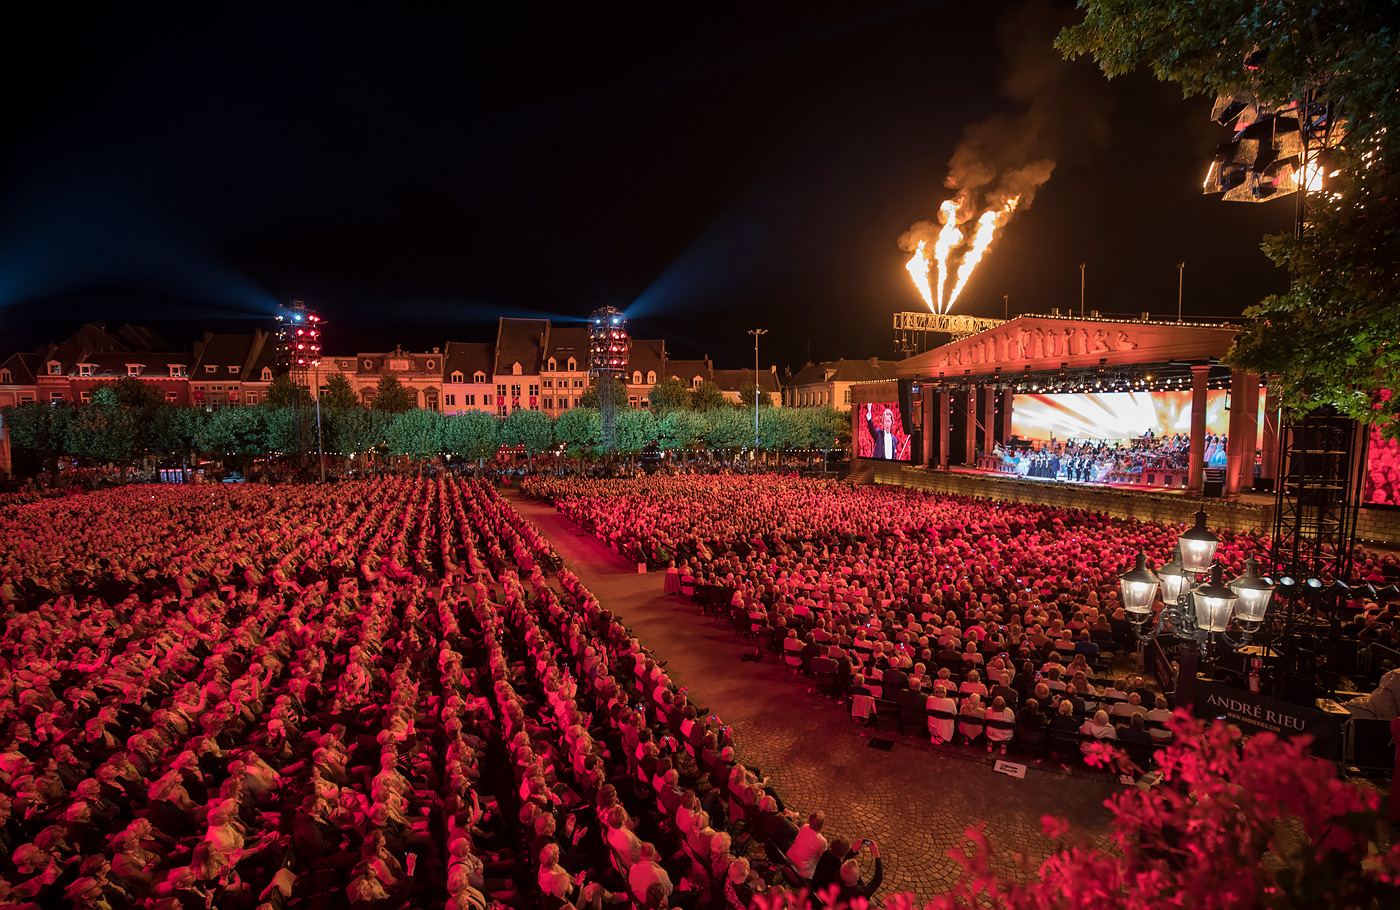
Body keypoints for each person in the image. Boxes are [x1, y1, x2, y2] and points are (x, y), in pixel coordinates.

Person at [786, 811, 827, 879]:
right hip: (799, 876)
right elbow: (823, 858)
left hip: (788, 866)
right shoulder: (822, 841)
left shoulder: (804, 827)